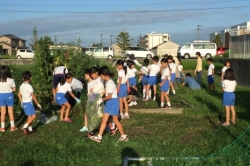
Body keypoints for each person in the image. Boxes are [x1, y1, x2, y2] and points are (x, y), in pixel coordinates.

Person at [90, 66, 128, 143]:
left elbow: (109, 96)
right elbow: (105, 91)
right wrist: (100, 95)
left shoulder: (110, 83)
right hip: (108, 102)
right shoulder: (107, 82)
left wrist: (101, 99)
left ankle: (123, 136)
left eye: (100, 76)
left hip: (113, 102)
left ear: (103, 75)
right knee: (104, 119)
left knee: (115, 120)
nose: (100, 77)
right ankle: (99, 137)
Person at [0, 66, 18, 132]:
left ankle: (2, 128)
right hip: (9, 95)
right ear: (8, 72)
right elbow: (14, 89)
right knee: (10, 111)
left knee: (3, 112)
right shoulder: (11, 80)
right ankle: (12, 127)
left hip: (1, 96)